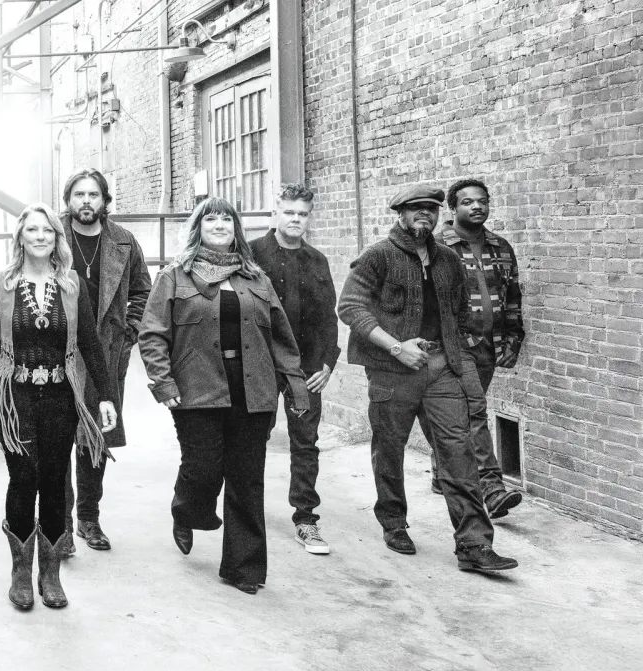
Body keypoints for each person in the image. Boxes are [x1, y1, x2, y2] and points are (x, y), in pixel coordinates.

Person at [337, 183, 518, 573]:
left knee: (459, 452)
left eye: (431, 209)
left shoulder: (448, 259)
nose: (425, 214)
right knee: (390, 449)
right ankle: (393, 522)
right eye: (416, 208)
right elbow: (350, 307)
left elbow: (460, 314)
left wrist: (457, 360)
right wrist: (395, 346)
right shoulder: (377, 256)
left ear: (439, 215)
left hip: (441, 369)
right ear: (400, 214)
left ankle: (474, 545)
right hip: (391, 371)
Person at [138, 197, 309, 595]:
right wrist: (163, 383)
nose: (219, 225)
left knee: (247, 480)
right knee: (203, 467)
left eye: (227, 219)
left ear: (236, 229)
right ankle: (188, 509)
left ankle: (243, 568)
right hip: (197, 388)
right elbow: (153, 334)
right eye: (211, 218)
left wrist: (295, 385)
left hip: (253, 389)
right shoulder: (175, 276)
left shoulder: (256, 278)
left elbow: (280, 336)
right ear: (198, 227)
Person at [0, 203, 118, 611]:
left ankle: (49, 574)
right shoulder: (0, 284)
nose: (39, 236)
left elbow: (90, 344)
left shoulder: (72, 285)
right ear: (20, 236)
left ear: (57, 238)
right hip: (15, 397)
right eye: (32, 229)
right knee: (22, 479)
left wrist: (107, 395)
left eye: (47, 230)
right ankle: (21, 572)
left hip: (60, 396)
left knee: (53, 482)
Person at [58, 168, 151, 554]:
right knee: (56, 439)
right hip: (58, 350)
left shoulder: (123, 241)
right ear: (68, 200)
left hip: (106, 351)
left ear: (104, 200)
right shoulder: (52, 235)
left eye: (93, 194)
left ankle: (88, 518)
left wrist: (128, 333)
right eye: (78, 194)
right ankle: (60, 525)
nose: (86, 201)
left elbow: (144, 292)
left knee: (95, 436)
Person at [421, 178, 524, 519]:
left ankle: (442, 473)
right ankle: (491, 488)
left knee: (461, 414)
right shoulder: (436, 247)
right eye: (467, 202)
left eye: (482, 201)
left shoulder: (501, 247)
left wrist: (514, 339)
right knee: (474, 412)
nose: (477, 206)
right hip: (453, 346)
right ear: (453, 208)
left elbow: (512, 296)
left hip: (489, 347)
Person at [250, 184, 341, 555]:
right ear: (276, 212)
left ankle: (306, 520)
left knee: (305, 442)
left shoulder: (317, 260)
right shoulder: (252, 253)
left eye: (302, 214)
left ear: (309, 217)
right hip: (261, 364)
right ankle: (247, 512)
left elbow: (328, 317)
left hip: (306, 367)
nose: (295, 220)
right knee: (252, 438)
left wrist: (327, 363)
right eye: (289, 212)